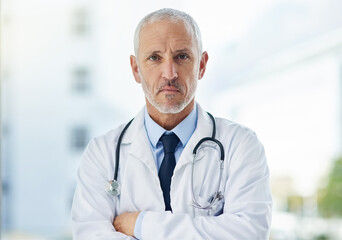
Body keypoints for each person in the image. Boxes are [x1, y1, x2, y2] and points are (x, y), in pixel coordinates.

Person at [71, 8, 272, 240]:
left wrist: (141, 224)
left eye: (182, 56)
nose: (170, 73)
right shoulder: (102, 153)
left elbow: (249, 233)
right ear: (136, 69)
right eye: (155, 58)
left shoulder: (241, 145)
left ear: (202, 65)